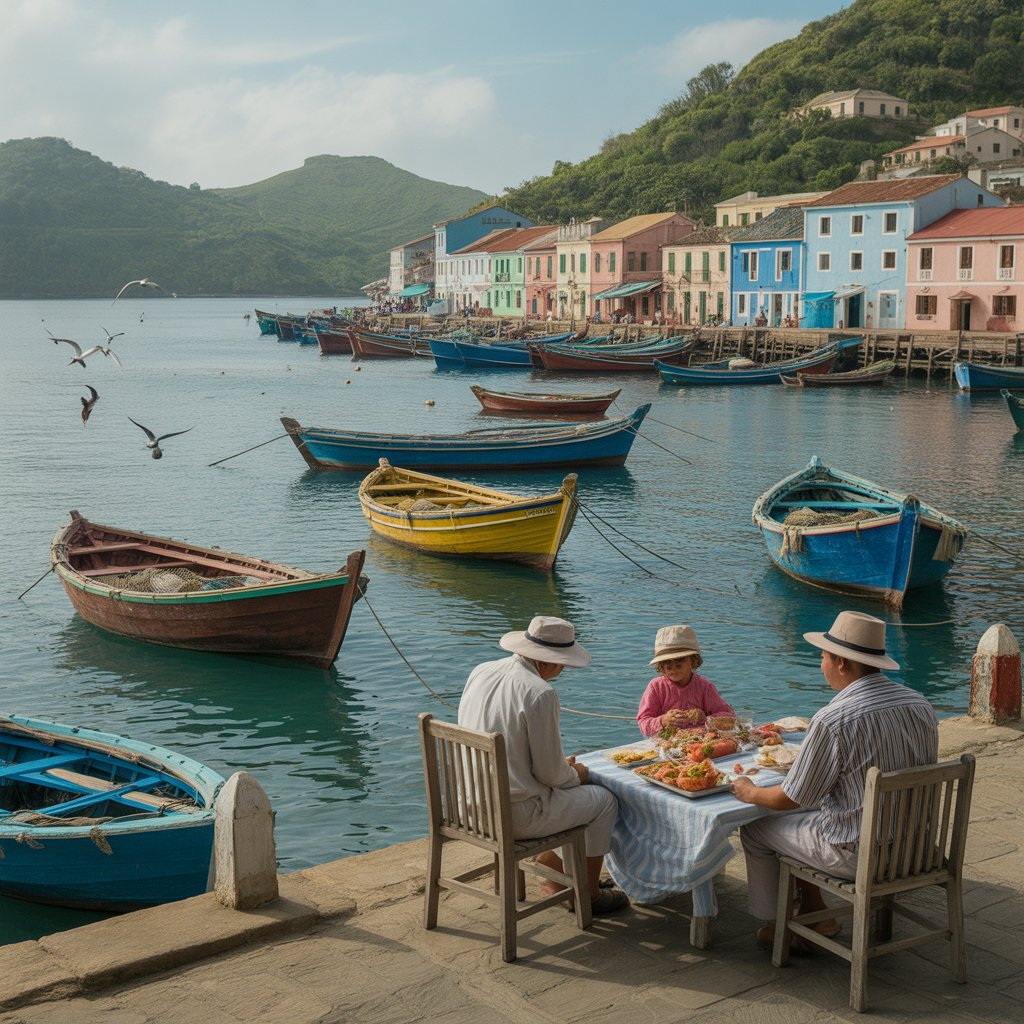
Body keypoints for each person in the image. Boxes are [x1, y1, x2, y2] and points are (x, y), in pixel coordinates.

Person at [732, 611, 939, 950]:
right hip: (915, 846)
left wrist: (751, 792)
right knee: (804, 821)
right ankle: (817, 912)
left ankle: (778, 926)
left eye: (823, 656)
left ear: (842, 662)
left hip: (860, 855)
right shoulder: (920, 704)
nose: (821, 664)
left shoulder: (833, 719)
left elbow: (791, 798)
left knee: (757, 828)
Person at [458, 615, 629, 915]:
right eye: (562, 662)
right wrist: (576, 773)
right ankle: (586, 895)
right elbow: (551, 775)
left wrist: (560, 771)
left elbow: (516, 752)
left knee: (574, 790)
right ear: (549, 661)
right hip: (514, 816)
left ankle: (562, 876)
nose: (563, 669)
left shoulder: (481, 671)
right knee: (603, 801)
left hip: (469, 808)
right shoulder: (540, 693)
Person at [637, 625, 735, 736]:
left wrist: (705, 718)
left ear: (693, 662)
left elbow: (729, 716)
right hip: (665, 742)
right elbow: (643, 722)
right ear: (661, 667)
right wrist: (664, 720)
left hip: (700, 741)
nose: (673, 668)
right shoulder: (656, 687)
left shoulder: (704, 687)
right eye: (667, 664)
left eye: (679, 662)